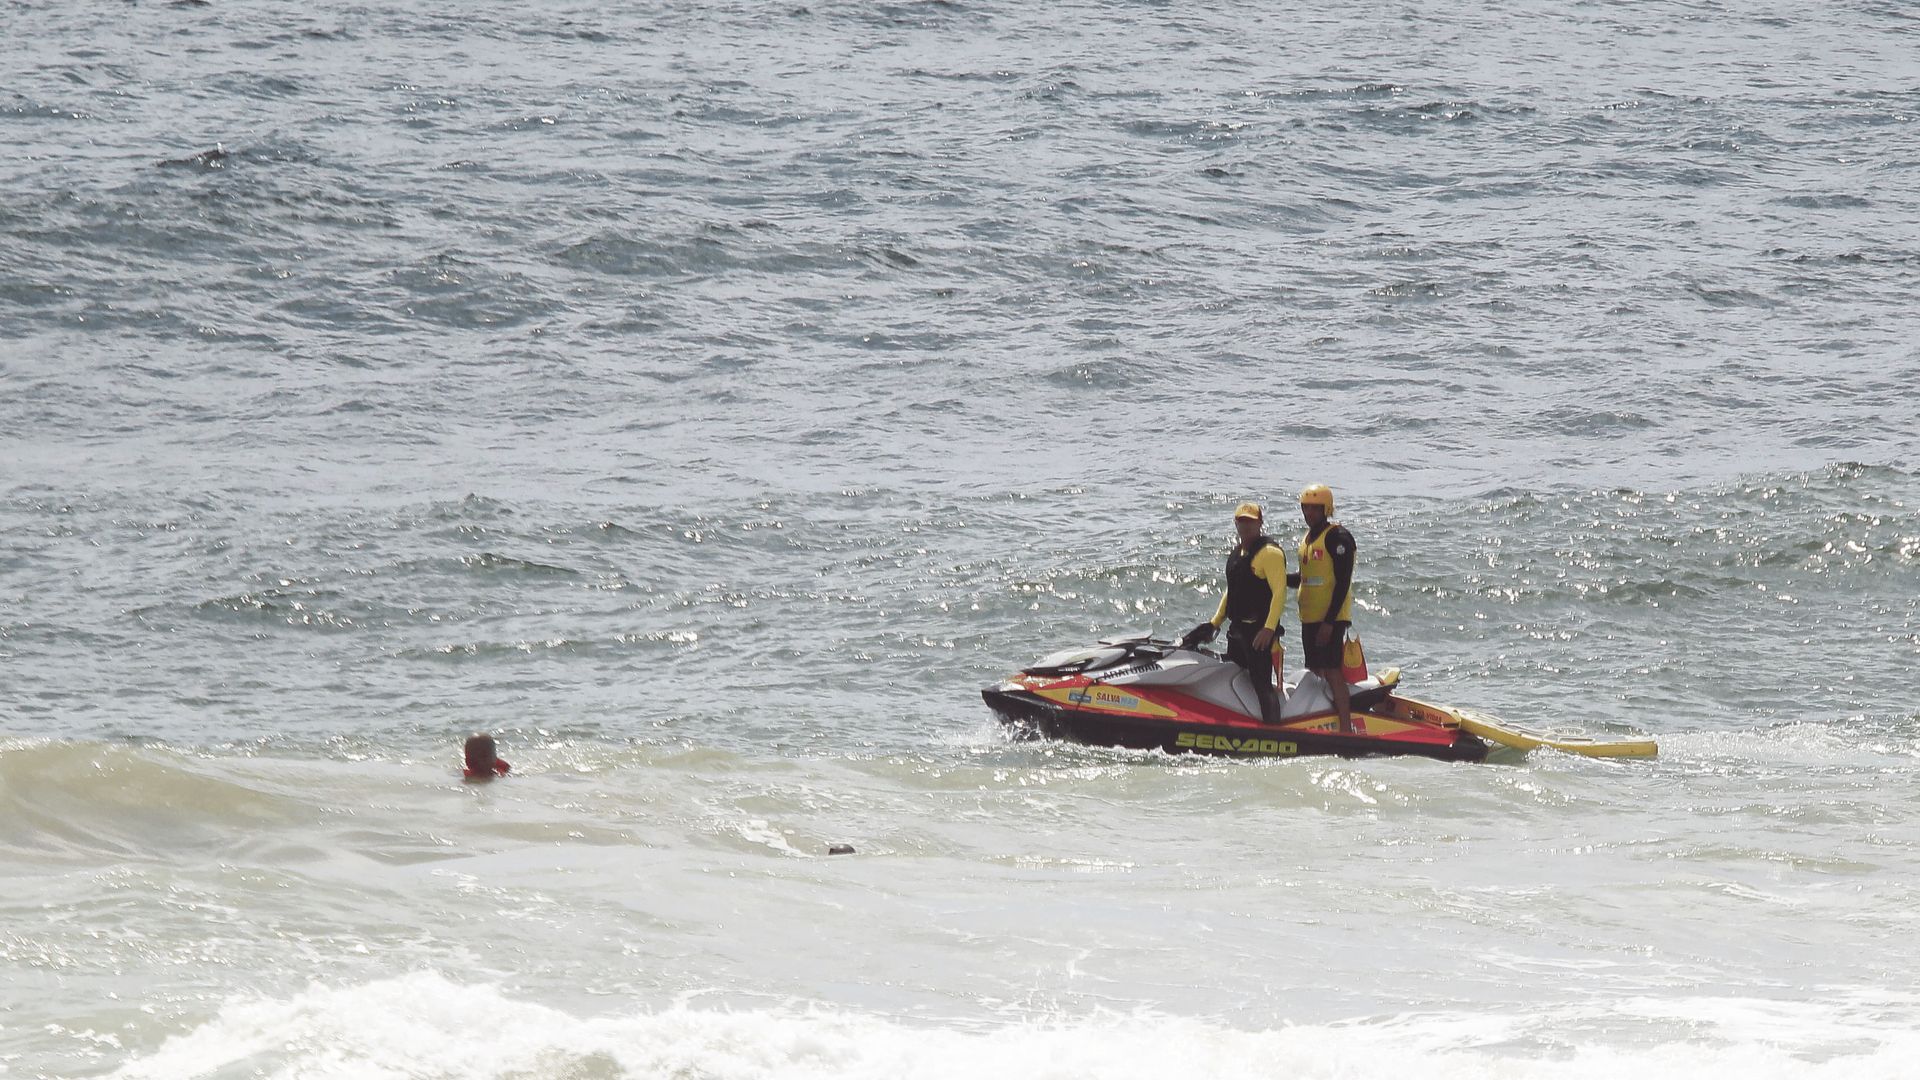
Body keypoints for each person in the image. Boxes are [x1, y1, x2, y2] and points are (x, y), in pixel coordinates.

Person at [1180, 502, 1288, 721]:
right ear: (1236, 524)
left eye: (1251, 521)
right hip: (1238, 630)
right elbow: (1233, 591)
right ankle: (1238, 719)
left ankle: (1274, 732)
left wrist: (1268, 629)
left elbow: (1280, 592)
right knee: (1234, 672)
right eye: (1242, 522)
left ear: (1260, 523)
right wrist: (1215, 622)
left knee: (1261, 683)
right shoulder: (1238, 553)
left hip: (1259, 632)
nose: (1246, 526)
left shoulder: (1270, 553)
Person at [1296, 484, 1358, 732]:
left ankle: (1345, 727)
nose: (1309, 513)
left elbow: (1343, 582)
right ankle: (1318, 721)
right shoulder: (1307, 539)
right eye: (1305, 508)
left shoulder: (1338, 537)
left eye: (1314, 508)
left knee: (1332, 671)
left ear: (1326, 509)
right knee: (1314, 670)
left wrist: (1329, 622)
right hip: (1309, 618)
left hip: (1330, 619)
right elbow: (1302, 578)